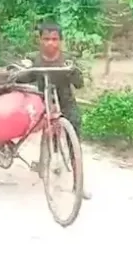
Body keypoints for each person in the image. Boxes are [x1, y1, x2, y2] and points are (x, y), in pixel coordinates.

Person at [17, 22, 90, 200]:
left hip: (66, 103)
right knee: (40, 131)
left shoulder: (67, 59)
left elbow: (79, 84)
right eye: (46, 39)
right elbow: (21, 78)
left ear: (61, 41)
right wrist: (25, 70)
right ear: (40, 40)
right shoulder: (33, 58)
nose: (51, 43)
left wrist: (73, 71)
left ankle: (78, 185)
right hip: (42, 103)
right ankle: (45, 164)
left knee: (74, 142)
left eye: (55, 39)